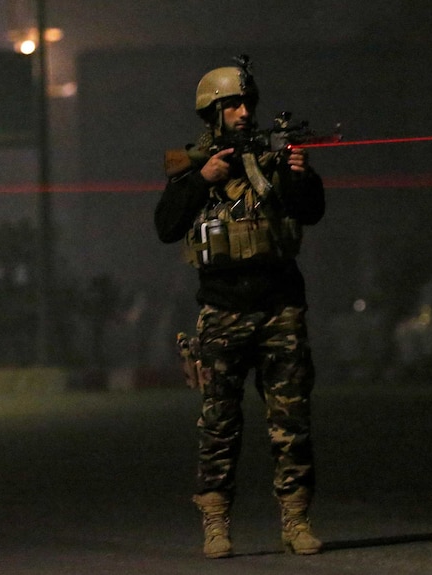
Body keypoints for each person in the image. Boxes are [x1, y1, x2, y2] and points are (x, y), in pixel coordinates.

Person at [154, 56, 325, 558]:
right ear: (213, 113)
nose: (244, 112)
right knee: (218, 425)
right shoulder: (195, 167)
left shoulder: (274, 159)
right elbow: (165, 226)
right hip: (224, 309)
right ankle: (215, 523)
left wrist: (298, 173)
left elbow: (309, 211)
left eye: (247, 103)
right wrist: (202, 178)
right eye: (232, 105)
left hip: (280, 308)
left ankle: (295, 521)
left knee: (291, 422)